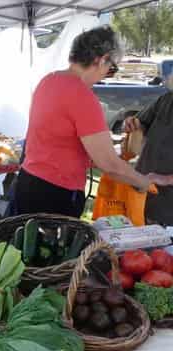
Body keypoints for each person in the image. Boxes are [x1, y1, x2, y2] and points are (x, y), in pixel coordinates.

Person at [15, 25, 173, 218]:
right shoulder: (82, 96)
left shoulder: (48, 81)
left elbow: (56, 138)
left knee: (29, 245)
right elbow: (109, 164)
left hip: (28, 181)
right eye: (111, 68)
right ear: (101, 60)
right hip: (57, 192)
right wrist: (144, 183)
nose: (107, 74)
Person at [124, 91, 173, 225]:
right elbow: (142, 121)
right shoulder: (167, 99)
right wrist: (133, 123)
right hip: (142, 193)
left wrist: (167, 179)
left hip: (168, 209)